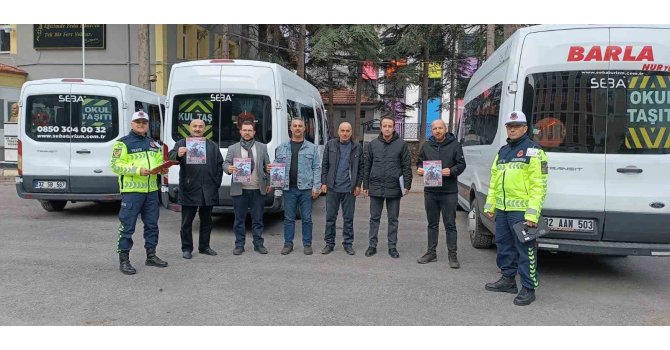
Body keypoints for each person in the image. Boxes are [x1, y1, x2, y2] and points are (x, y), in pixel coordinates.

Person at [483, 111, 548, 306]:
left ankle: (528, 288)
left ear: (525, 128)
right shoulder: (503, 151)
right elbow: (494, 181)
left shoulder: (535, 151)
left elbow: (540, 185)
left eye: (517, 126)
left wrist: (532, 214)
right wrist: (490, 205)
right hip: (502, 210)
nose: (512, 129)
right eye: (509, 126)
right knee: (503, 246)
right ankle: (508, 280)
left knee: (526, 250)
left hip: (522, 212)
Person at [110, 110, 168, 275]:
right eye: (138, 122)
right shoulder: (122, 143)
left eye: (144, 123)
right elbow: (115, 165)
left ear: (147, 125)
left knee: (152, 225)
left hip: (151, 191)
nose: (141, 125)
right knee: (127, 226)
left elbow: (158, 163)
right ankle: (124, 260)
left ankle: (151, 256)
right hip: (132, 191)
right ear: (132, 124)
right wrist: (137, 170)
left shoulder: (153, 143)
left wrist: (163, 168)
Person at [168, 118, 223, 259]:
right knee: (186, 222)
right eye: (195, 126)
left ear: (204, 129)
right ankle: (186, 248)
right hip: (189, 188)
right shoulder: (181, 143)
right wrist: (178, 154)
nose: (197, 129)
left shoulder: (212, 146)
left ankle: (204, 246)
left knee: (207, 221)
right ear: (189, 128)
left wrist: (216, 183)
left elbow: (219, 165)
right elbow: (171, 158)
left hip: (208, 189)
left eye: (200, 126)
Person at [416, 119, 466, 268]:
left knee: (450, 224)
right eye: (434, 129)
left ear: (445, 129)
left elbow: (462, 164)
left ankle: (453, 255)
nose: (437, 131)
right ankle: (431, 252)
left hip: (449, 192)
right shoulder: (426, 146)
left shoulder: (455, 145)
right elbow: (420, 161)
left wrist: (451, 171)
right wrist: (419, 169)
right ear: (432, 131)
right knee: (432, 224)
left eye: (440, 128)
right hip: (430, 191)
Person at [363, 115, 412, 258]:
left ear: (393, 127)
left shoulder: (401, 145)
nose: (387, 128)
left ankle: (392, 247)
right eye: (384, 126)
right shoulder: (372, 145)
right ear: (381, 127)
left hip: (395, 187)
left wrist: (407, 185)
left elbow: (406, 166)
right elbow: (367, 166)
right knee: (374, 218)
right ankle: (372, 245)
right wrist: (366, 185)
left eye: (390, 126)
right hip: (376, 187)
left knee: (393, 219)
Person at [272, 118, 321, 255]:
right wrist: (272, 172)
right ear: (291, 128)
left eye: (300, 126)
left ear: (304, 128)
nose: (298, 128)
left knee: (307, 218)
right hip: (289, 189)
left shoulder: (312, 148)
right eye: (295, 126)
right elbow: (277, 165)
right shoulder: (282, 147)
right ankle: (288, 244)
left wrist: (316, 187)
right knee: (288, 218)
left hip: (306, 189)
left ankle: (307, 244)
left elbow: (317, 168)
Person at [223, 120, 271, 255]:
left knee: (258, 219)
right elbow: (225, 163)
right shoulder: (233, 148)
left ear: (254, 132)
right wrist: (229, 168)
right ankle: (239, 245)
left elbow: (267, 166)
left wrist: (269, 183)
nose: (247, 133)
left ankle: (258, 244)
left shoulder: (262, 147)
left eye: (250, 130)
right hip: (240, 190)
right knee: (239, 220)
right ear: (240, 131)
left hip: (257, 189)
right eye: (245, 130)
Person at [320, 122, 363, 255]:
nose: (345, 133)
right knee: (330, 218)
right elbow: (325, 165)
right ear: (338, 132)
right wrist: (324, 182)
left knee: (348, 218)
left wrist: (358, 185)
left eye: (347, 131)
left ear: (351, 133)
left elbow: (361, 167)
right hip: (332, 188)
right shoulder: (331, 145)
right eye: (342, 130)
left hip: (349, 189)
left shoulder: (357, 147)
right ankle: (329, 243)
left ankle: (348, 244)